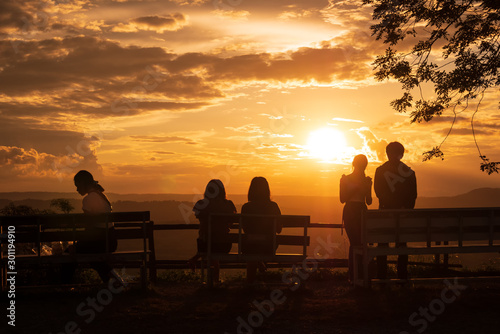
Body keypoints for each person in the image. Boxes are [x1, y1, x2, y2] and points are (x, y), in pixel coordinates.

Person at [62, 170, 118, 284]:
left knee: (69, 253)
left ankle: (64, 284)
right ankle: (114, 282)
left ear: (83, 184)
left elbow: (89, 226)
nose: (77, 189)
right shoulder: (103, 196)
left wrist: (76, 244)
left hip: (98, 242)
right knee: (92, 258)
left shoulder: (88, 199)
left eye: (78, 186)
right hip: (111, 241)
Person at [374, 142, 417, 280]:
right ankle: (402, 275)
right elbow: (413, 195)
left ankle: (382, 275)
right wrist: (404, 209)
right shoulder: (409, 173)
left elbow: (379, 193)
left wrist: (389, 207)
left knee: (382, 244)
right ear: (402, 154)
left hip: (385, 215)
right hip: (403, 217)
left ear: (387, 154)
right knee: (402, 244)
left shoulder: (380, 171)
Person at [188, 179, 236, 283]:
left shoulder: (201, 204)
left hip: (205, 244)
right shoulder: (228, 205)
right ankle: (215, 279)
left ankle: (211, 278)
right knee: (215, 243)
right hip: (224, 245)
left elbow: (200, 219)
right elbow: (232, 222)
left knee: (210, 243)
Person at [241, 177, 282, 284]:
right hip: (269, 246)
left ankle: (249, 284)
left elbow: (245, 229)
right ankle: (260, 263)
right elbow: (279, 230)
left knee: (252, 248)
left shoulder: (246, 207)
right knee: (260, 246)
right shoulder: (273, 206)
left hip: (250, 246)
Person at [340, 154, 372, 283]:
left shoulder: (346, 179)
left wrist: (367, 186)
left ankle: (354, 276)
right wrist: (361, 187)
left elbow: (368, 200)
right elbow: (343, 199)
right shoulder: (346, 179)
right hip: (359, 211)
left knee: (356, 244)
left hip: (354, 211)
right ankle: (358, 275)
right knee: (357, 243)